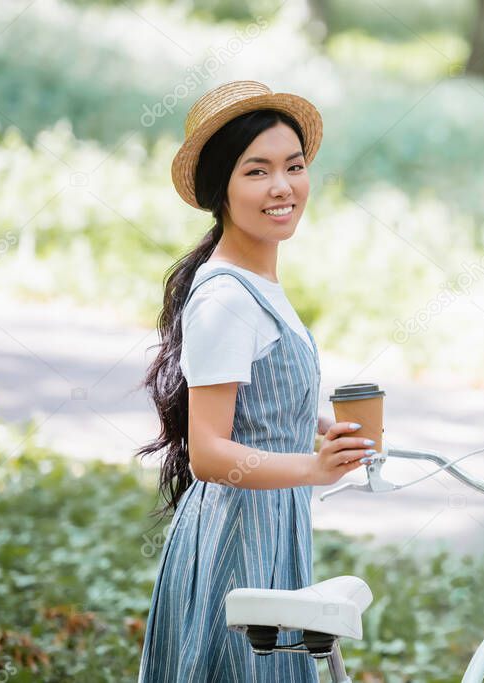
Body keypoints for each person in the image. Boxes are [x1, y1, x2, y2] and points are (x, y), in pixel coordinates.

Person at [135, 80, 375, 682]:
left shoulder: (258, 280)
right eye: (257, 171)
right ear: (221, 189)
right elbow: (211, 454)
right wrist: (314, 469)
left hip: (271, 526)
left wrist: (320, 428)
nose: (282, 187)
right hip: (236, 539)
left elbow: (256, 407)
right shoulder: (225, 300)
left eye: (294, 167)